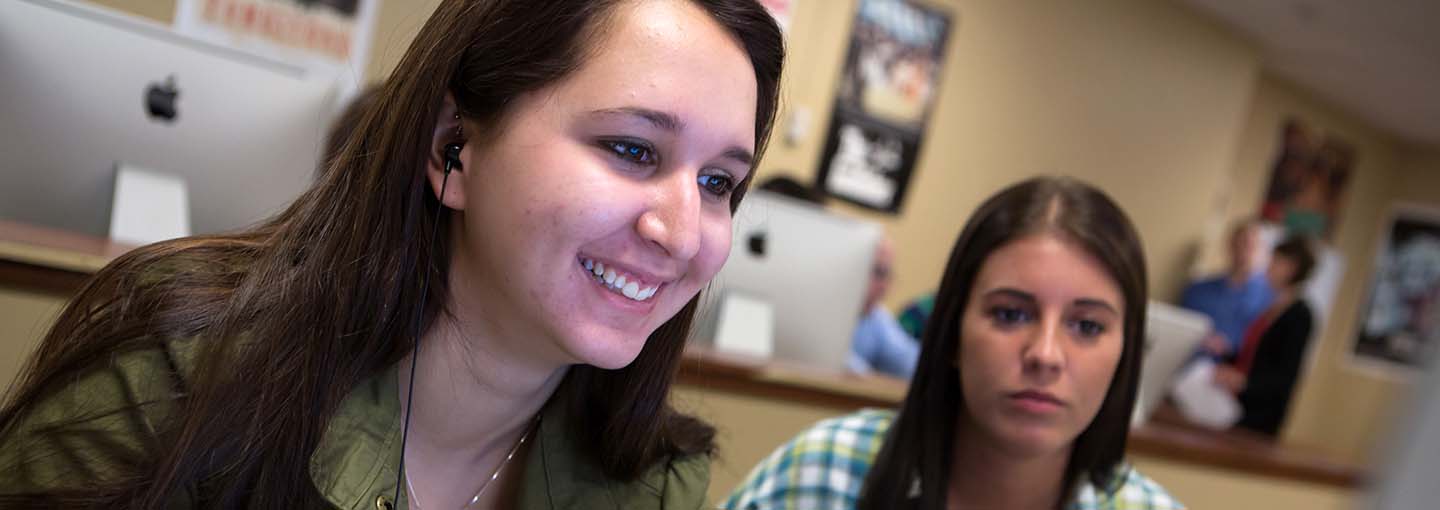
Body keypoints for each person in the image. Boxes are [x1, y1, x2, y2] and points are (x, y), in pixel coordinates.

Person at [0, 0, 783, 508]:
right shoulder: (175, 376)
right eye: (632, 148)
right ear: (454, 147)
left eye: (719, 181)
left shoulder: (653, 485)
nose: (682, 233)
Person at [724, 176, 1182, 510]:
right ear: (953, 335)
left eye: (1087, 327)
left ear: (1126, 351)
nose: (1045, 354)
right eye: (1010, 314)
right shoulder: (826, 470)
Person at [1213, 236, 1317, 437]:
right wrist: (1228, 354)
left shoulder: (1300, 315)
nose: (1268, 267)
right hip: (1235, 404)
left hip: (1260, 416)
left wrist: (1244, 382)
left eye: (1276, 261)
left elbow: (1284, 376)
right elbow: (1255, 355)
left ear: (1292, 268)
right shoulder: (1269, 306)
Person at [1181, 220, 1273, 361]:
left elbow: (1265, 347)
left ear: (1263, 250)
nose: (1244, 251)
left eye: (1252, 245)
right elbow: (1180, 327)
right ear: (1229, 245)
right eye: (1240, 243)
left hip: (1230, 372)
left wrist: (1230, 347)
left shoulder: (1269, 299)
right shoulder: (1198, 290)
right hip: (1188, 364)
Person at [847, 234, 920, 379]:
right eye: (878, 273)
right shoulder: (814, 310)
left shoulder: (876, 317)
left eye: (888, 276)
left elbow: (911, 365)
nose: (885, 287)